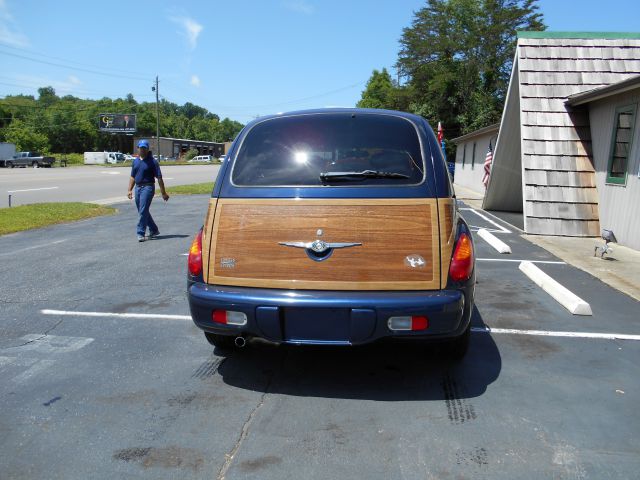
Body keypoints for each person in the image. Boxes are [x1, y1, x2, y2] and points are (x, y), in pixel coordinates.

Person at [127, 139, 170, 242]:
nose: (142, 150)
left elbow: (159, 178)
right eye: (140, 148)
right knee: (142, 211)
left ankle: (140, 233)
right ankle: (154, 229)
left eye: (144, 148)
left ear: (147, 149)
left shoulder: (153, 162)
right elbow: (133, 176)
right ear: (137, 148)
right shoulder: (136, 161)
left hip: (148, 187)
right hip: (138, 188)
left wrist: (163, 193)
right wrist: (129, 190)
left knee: (143, 211)